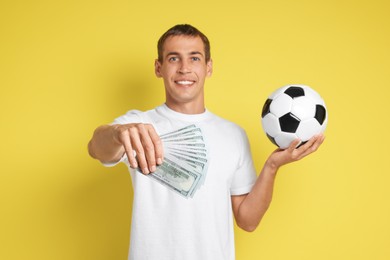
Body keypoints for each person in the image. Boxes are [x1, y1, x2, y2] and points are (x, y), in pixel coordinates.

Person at [88, 24, 324, 260]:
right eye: (173, 58)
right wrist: (118, 132)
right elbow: (96, 148)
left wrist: (272, 166)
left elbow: (248, 220)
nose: (184, 68)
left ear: (208, 67)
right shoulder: (139, 123)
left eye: (194, 58)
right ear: (158, 67)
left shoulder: (233, 134)